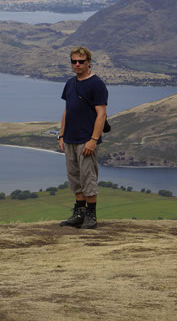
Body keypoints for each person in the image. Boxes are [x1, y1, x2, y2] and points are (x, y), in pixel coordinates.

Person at [58, 46, 108, 229]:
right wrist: (61, 135)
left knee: (88, 177)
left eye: (81, 61)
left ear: (88, 62)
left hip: (86, 140)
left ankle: (91, 215)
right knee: (75, 177)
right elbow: (67, 111)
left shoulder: (97, 84)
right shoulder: (70, 83)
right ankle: (78, 213)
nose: (77, 64)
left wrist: (93, 140)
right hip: (70, 139)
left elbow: (101, 114)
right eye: (74, 61)